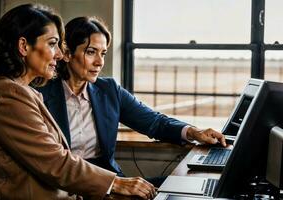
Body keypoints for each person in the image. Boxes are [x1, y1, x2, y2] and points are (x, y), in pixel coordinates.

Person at [0, 4, 156, 200]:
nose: (60, 55)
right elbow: (54, 162)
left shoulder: (23, 92)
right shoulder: (6, 96)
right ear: (24, 46)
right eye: (52, 44)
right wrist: (117, 183)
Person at [36, 16, 227, 187]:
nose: (99, 62)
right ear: (68, 54)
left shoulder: (109, 90)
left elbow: (154, 122)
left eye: (103, 53)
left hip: (110, 180)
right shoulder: (40, 95)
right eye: (91, 52)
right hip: (65, 185)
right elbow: (47, 162)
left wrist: (195, 132)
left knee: (178, 185)